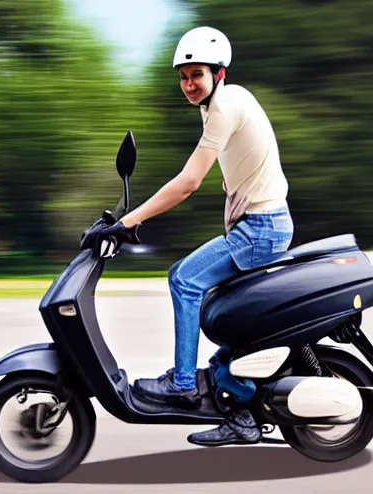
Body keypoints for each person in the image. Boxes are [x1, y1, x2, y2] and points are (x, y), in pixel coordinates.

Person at [96, 26, 294, 446]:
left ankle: (184, 384)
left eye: (196, 75)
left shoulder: (225, 105)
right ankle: (241, 410)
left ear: (218, 73)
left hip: (261, 229)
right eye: (183, 77)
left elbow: (188, 182)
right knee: (228, 317)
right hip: (259, 226)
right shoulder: (218, 105)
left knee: (184, 279)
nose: (189, 85)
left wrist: (129, 221)